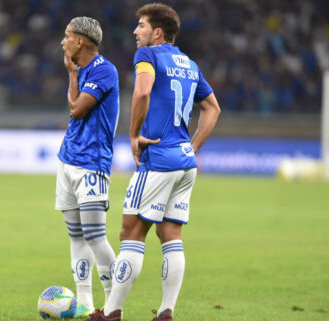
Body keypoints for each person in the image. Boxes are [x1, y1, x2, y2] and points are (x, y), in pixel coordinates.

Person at [85, 3, 221, 321]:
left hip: (158, 159)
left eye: (142, 26)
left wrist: (133, 136)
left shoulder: (148, 56)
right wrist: (192, 147)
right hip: (185, 163)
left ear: (157, 32)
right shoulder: (189, 65)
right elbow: (213, 108)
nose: (136, 31)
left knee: (131, 232)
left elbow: (142, 93)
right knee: (170, 234)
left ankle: (112, 312)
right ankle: (165, 313)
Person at [56, 16, 120, 318]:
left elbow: (78, 110)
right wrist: (74, 73)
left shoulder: (104, 71)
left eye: (67, 36)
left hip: (92, 164)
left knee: (95, 236)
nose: (63, 41)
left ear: (80, 41)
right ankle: (83, 303)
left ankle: (112, 305)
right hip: (68, 159)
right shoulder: (83, 71)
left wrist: (71, 75)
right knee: (76, 235)